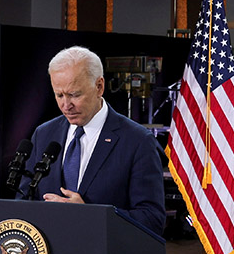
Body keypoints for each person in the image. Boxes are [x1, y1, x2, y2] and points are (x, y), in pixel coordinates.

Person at [20, 46, 166, 235]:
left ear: (99, 87)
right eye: (59, 95)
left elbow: (152, 219)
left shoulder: (138, 141)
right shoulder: (44, 134)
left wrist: (91, 216)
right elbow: (24, 199)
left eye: (74, 95)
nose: (66, 105)